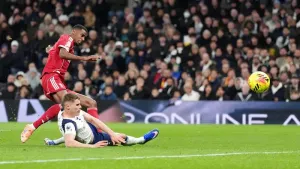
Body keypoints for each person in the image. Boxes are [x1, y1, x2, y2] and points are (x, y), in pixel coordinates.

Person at [21, 24, 102, 143]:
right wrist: (84, 58)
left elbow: (58, 53)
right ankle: (32, 127)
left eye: (85, 37)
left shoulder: (70, 46)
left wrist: (51, 50)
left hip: (58, 80)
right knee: (68, 103)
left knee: (90, 103)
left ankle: (98, 134)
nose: (83, 39)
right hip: (51, 77)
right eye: (82, 35)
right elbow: (62, 54)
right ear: (74, 31)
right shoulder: (67, 38)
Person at [44, 93, 159, 147]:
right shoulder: (69, 123)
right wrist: (93, 146)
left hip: (88, 128)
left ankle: (53, 142)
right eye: (78, 105)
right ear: (68, 107)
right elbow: (69, 143)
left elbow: (94, 121)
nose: (80, 107)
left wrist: (111, 133)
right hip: (94, 139)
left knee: (73, 133)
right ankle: (141, 140)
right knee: (121, 137)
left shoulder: (72, 112)